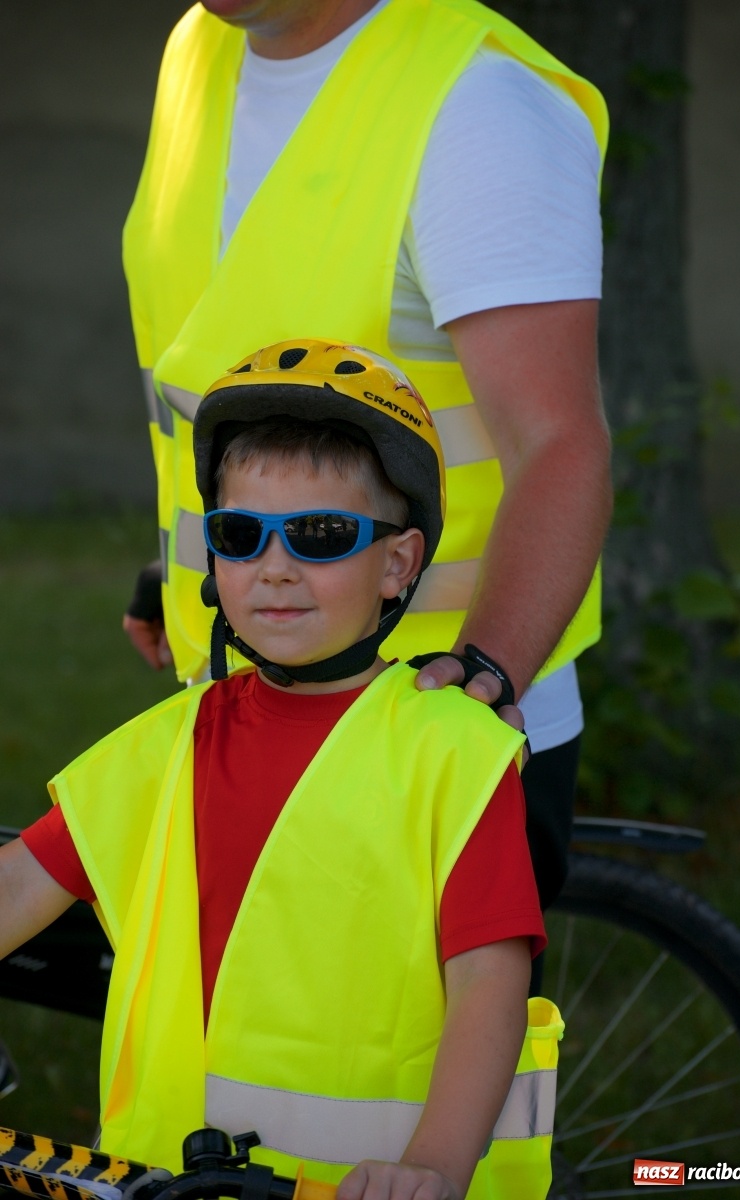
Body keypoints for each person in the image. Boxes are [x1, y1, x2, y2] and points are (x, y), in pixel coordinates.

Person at [1, 342, 561, 1200]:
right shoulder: (166, 746)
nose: (274, 566)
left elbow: (489, 977)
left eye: (322, 535)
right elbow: (16, 889)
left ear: (398, 566)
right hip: (163, 1181)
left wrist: (436, 1166)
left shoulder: (452, 752)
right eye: (240, 534)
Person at [122, 0, 613, 910]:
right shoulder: (199, 51)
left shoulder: (479, 105)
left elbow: (560, 443)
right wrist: (186, 562)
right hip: (236, 705)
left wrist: (480, 687)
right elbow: (218, 358)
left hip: (427, 735)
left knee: (428, 1054)